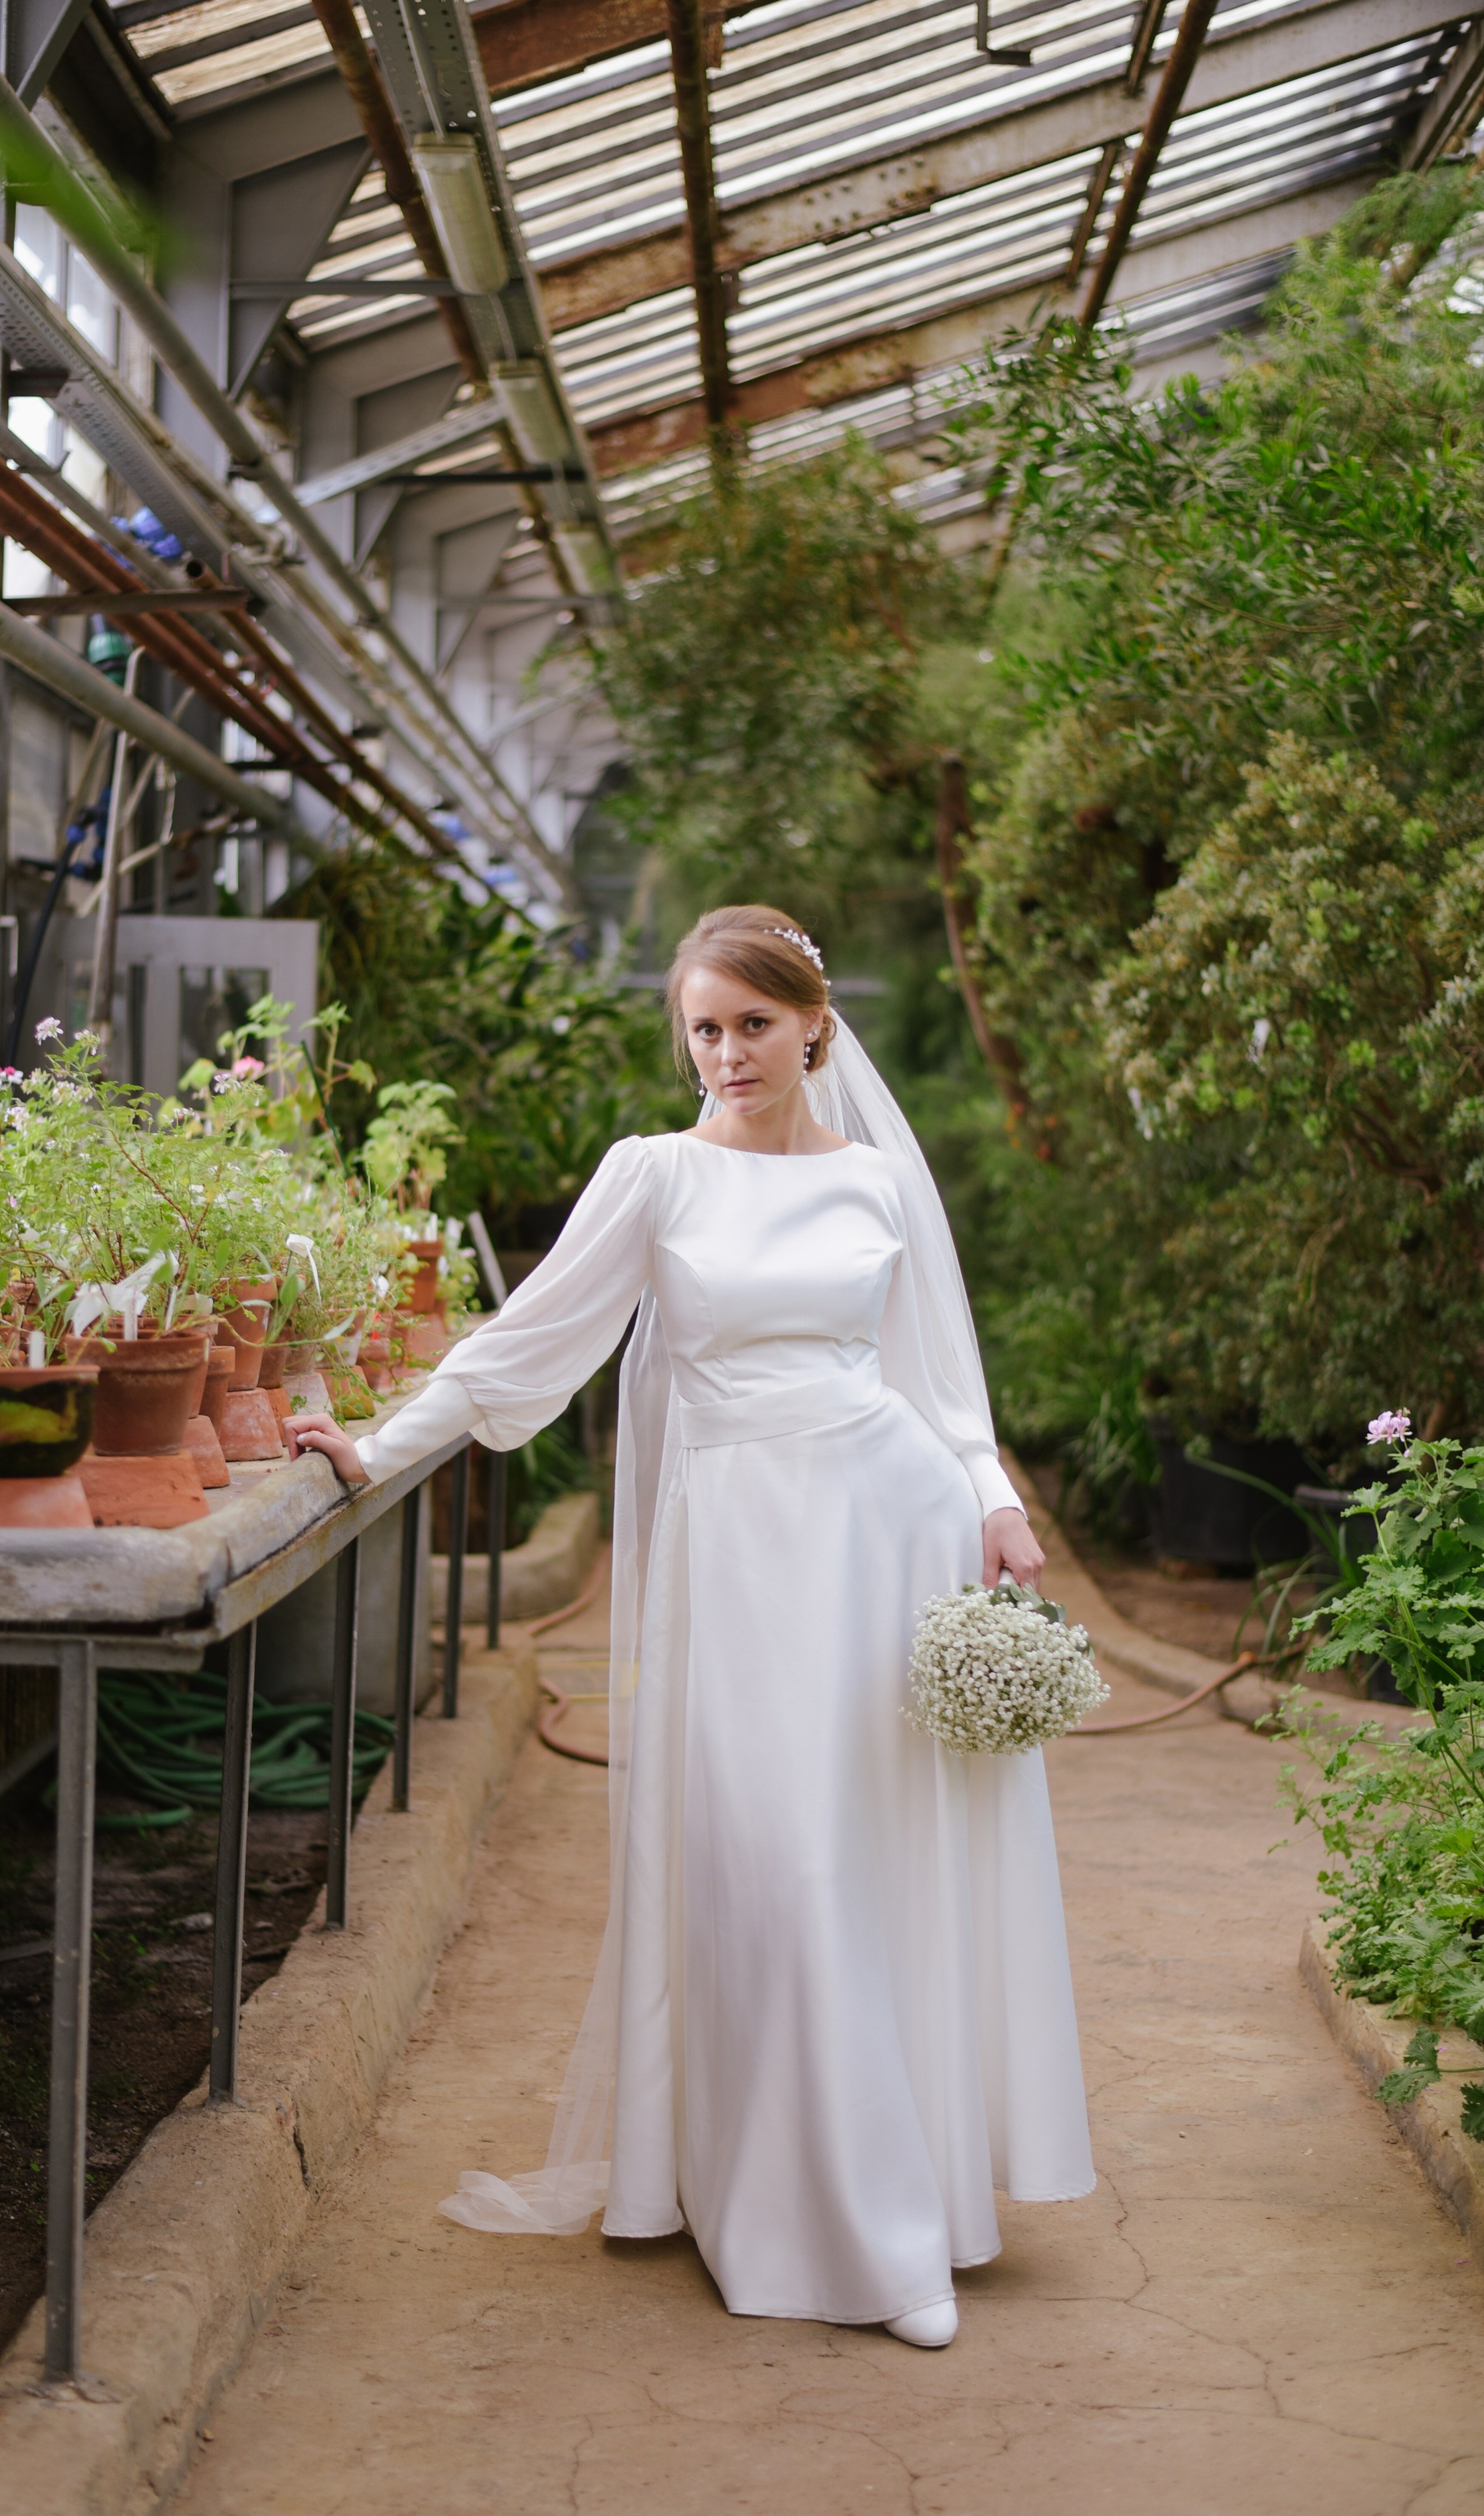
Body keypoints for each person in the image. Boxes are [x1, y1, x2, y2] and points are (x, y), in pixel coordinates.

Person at [287, 904, 1094, 2349]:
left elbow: (936, 1378)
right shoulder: (652, 1176)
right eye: (704, 1028)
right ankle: (812, 2218)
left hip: (882, 1533)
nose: (725, 1052)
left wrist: (989, 1496)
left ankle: (888, 2209)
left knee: (862, 1862)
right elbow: (523, 1341)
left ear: (812, 1028)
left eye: (752, 1025)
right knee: (772, 1867)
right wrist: (380, 1444)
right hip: (734, 1554)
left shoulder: (875, 1183)